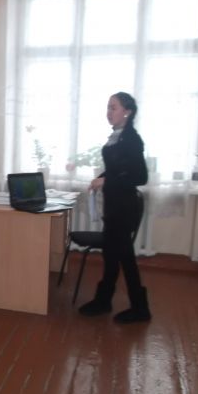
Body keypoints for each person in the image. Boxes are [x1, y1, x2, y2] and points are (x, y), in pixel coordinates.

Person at [79, 92, 150, 324]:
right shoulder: (117, 137)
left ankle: (140, 309)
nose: (108, 112)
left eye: (113, 107)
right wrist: (100, 177)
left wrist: (106, 180)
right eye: (108, 107)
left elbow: (140, 176)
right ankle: (104, 300)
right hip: (114, 207)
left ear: (127, 112)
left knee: (125, 259)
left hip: (124, 209)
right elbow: (117, 169)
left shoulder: (131, 139)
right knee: (111, 256)